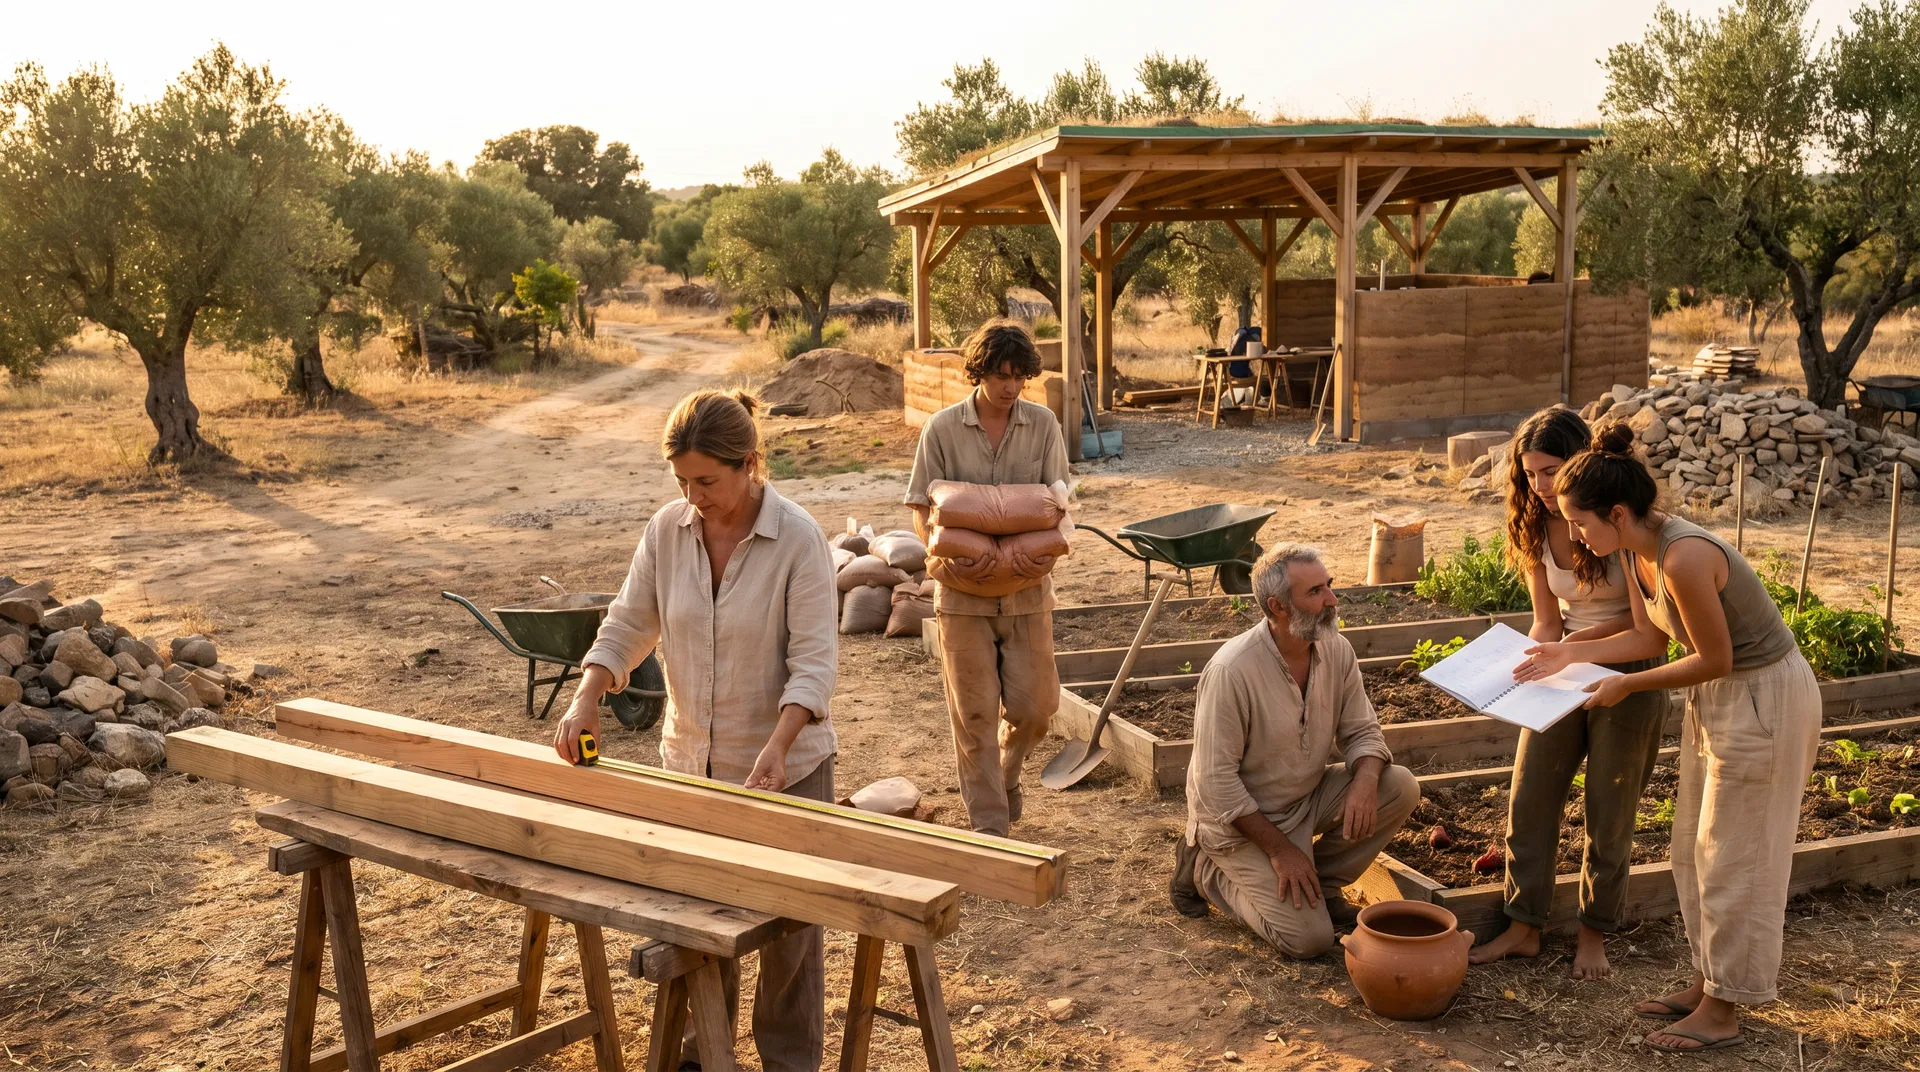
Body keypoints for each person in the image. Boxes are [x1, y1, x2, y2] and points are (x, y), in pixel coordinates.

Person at [1514, 421, 1819, 1054]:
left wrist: (1625, 688)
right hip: (1725, 697)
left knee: (1739, 854)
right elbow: (1652, 640)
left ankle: (1725, 1009)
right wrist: (1571, 650)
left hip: (1763, 696)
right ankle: (1710, 982)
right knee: (1695, 847)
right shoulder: (1634, 549)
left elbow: (1716, 657)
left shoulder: (1684, 556)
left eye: (1581, 523)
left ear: (1617, 513)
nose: (1574, 536)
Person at [555, 388, 838, 1072]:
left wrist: (777, 746)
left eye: (707, 481)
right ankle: (700, 1057)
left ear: (749, 464)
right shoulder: (666, 531)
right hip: (692, 770)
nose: (695, 497)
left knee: (787, 944)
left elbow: (813, 666)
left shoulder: (798, 539)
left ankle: (788, 1064)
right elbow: (628, 622)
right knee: (699, 926)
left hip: (785, 775)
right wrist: (588, 693)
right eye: (682, 482)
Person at [1469, 406, 1671, 979]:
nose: (1540, 485)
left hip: (1627, 669)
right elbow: (1546, 622)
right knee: (1530, 798)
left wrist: (1572, 649)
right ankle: (1523, 927)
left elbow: (1648, 629)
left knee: (1609, 809)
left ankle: (1593, 934)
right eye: (1529, 473)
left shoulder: (1615, 519)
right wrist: (1516, 669)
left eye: (1551, 470)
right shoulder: (1534, 521)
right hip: (1565, 664)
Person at [1170, 543, 1421, 957]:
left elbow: (1363, 731)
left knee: (1398, 786)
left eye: (1329, 585)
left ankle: (1319, 886)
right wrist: (1281, 851)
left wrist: (1364, 780)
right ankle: (1202, 870)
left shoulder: (1335, 648)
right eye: (1315, 593)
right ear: (1278, 607)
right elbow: (1214, 784)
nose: (1332, 600)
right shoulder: (1232, 671)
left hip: (1305, 800)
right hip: (1240, 823)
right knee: (1309, 941)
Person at [904, 319, 1070, 837]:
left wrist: (1043, 555)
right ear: (979, 372)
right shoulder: (942, 429)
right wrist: (945, 554)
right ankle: (990, 829)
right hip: (962, 598)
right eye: (1001, 375)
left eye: (1020, 377)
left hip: (1026, 593)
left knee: (1037, 710)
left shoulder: (1043, 425)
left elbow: (1061, 505)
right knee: (973, 717)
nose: (1010, 387)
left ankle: (1007, 773)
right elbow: (918, 507)